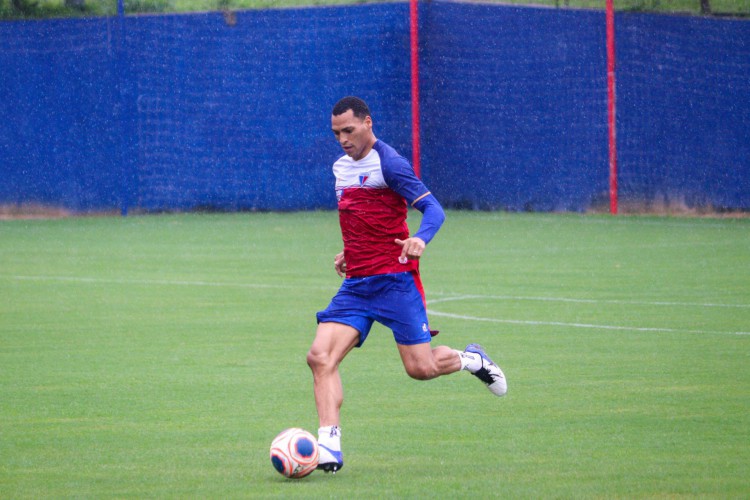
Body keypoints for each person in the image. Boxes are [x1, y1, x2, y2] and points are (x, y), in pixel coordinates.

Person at [306, 96, 507, 473]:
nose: (343, 140)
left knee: (421, 368)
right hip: (357, 285)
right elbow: (363, 217)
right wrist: (349, 252)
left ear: (368, 122)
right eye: (336, 133)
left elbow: (434, 209)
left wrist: (421, 239)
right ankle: (329, 447)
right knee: (320, 358)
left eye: (348, 130)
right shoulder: (340, 168)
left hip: (396, 283)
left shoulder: (390, 163)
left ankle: (472, 359)